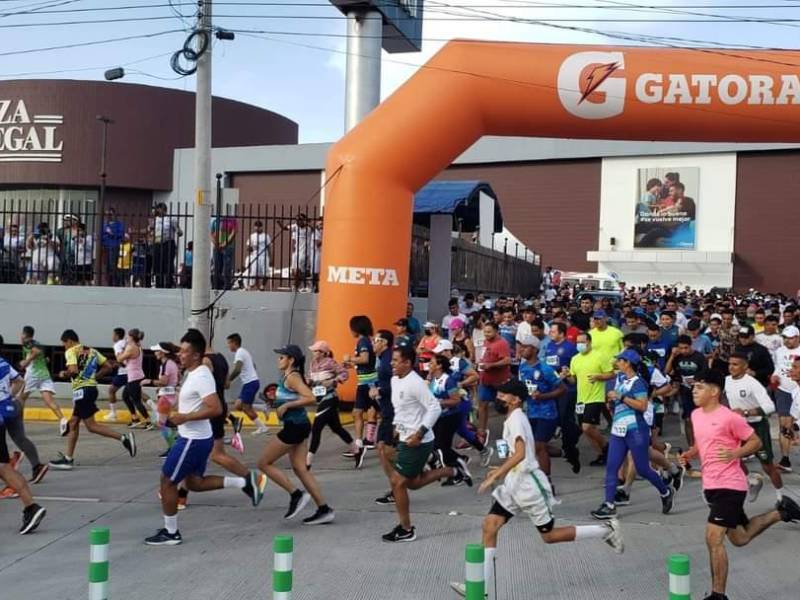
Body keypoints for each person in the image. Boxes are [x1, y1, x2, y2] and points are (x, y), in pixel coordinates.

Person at [448, 378, 623, 598]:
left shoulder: (517, 420)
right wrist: (500, 470)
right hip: (514, 484)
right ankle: (480, 586)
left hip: (530, 487)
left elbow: (521, 454)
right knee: (490, 525)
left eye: (503, 395)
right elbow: (516, 454)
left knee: (549, 536)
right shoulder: (513, 418)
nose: (498, 398)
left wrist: (496, 476)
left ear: (515, 399)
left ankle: (606, 529)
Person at [678, 369, 800, 600]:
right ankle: (782, 513)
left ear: (714, 391)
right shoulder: (696, 415)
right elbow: (703, 444)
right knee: (740, 538)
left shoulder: (729, 417)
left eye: (700, 387)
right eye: (694, 387)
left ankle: (718, 595)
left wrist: (735, 453)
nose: (694, 390)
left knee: (713, 537)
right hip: (711, 484)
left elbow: (755, 442)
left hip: (730, 485)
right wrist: (689, 454)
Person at [145, 329, 265, 546]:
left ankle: (171, 532)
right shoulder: (193, 373)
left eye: (184, 352)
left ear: (196, 355)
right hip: (197, 437)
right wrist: (173, 412)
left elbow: (216, 408)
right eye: (180, 351)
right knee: (194, 483)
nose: (180, 355)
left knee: (167, 482)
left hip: (192, 440)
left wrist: (185, 417)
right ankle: (246, 482)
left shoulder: (201, 375)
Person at [381, 346, 468, 542]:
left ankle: (406, 529)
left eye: (396, 360)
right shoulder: (395, 380)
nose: (391, 363)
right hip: (404, 437)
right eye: (392, 360)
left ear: (407, 363)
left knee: (398, 482)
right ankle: (452, 471)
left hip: (418, 441)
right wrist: (397, 426)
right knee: (412, 483)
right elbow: (402, 408)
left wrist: (420, 433)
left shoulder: (416, 383)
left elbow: (434, 408)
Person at [591, 349, 675, 520]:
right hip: (618, 430)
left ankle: (665, 491)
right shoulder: (620, 378)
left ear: (627, 363)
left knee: (643, 469)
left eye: (619, 360)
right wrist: (611, 400)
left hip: (636, 430)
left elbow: (642, 406)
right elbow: (616, 396)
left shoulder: (639, 383)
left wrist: (621, 397)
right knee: (612, 467)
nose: (617, 363)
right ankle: (609, 505)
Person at [257, 344, 334, 525]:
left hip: (294, 427)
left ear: (291, 360)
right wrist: (276, 405)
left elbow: (311, 397)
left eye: (282, 357)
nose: (278, 360)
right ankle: (324, 510)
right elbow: (293, 398)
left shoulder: (292, 377)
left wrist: (286, 406)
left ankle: (296, 494)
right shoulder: (287, 377)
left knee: (263, 463)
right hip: (299, 425)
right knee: (300, 468)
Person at [49, 329, 136, 470]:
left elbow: (73, 370)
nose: (64, 347)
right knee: (74, 424)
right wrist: (94, 377)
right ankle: (68, 458)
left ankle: (124, 438)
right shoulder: (92, 351)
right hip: (90, 389)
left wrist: (63, 373)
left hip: (82, 391)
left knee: (91, 426)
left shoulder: (71, 351)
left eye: (64, 344)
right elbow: (108, 367)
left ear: (69, 341)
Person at [725, 353, 784, 503]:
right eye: (730, 364)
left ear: (745, 366)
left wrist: (746, 412)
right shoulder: (726, 381)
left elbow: (770, 406)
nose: (731, 367)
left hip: (757, 428)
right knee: (732, 458)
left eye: (735, 364)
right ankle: (752, 481)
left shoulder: (752, 383)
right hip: (738, 427)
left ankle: (781, 497)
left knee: (767, 466)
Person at [0, 346, 47, 534]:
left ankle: (31, 507)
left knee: (3, 467)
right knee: (3, 467)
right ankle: (31, 507)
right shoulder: (3, 363)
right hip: (3, 414)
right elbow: (19, 381)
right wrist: (8, 398)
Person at [518, 335, 565, 481]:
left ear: (534, 349)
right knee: (532, 446)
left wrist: (542, 396)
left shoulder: (545, 368)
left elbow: (561, 389)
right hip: (529, 412)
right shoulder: (523, 367)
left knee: (540, 446)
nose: (521, 350)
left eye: (525, 347)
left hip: (546, 413)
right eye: (521, 346)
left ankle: (546, 481)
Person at [565, 332, 613, 466]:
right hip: (581, 399)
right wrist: (567, 375)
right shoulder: (575, 359)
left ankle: (606, 447)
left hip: (595, 397)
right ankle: (601, 455)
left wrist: (599, 377)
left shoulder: (600, 356)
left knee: (587, 427)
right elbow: (573, 380)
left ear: (589, 342)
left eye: (582, 342)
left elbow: (611, 374)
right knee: (585, 429)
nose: (580, 345)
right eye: (578, 342)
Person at [306, 340, 354, 470]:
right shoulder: (312, 364)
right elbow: (312, 381)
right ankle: (356, 449)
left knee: (316, 427)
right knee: (336, 428)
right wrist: (308, 381)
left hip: (330, 398)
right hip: (320, 398)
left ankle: (308, 461)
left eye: (317, 351)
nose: (314, 353)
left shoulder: (330, 362)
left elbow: (345, 373)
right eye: (314, 350)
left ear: (324, 353)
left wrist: (333, 381)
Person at [428, 354, 473, 487]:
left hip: (450, 417)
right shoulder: (433, 379)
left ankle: (458, 465)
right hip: (439, 416)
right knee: (438, 446)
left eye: (431, 362)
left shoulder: (448, 380)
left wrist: (439, 402)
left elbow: (456, 400)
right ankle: (458, 466)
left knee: (441, 446)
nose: (429, 365)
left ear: (439, 365)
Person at [543, 321, 581, 473]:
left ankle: (569, 446)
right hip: (554, 386)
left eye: (553, 331)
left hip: (568, 389)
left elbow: (575, 367)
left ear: (561, 333)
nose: (550, 334)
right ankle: (571, 436)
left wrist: (566, 374)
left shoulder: (570, 348)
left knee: (566, 418)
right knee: (558, 417)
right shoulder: (550, 346)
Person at [17, 325, 68, 435]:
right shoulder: (37, 343)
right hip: (44, 375)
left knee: (21, 399)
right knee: (49, 400)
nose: (20, 336)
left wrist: (26, 362)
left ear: (25, 334)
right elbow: (46, 359)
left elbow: (36, 352)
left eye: (21, 334)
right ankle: (63, 420)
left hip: (33, 375)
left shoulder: (28, 343)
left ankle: (18, 423)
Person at [342, 315, 378, 468]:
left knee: (363, 412)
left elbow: (364, 358)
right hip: (365, 381)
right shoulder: (368, 340)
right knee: (359, 412)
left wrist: (349, 358)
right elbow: (366, 362)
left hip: (368, 383)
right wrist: (352, 365)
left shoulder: (362, 341)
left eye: (352, 328)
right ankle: (359, 444)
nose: (351, 331)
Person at [665, 335, 706, 466]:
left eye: (686, 348)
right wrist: (672, 356)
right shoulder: (677, 357)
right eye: (681, 348)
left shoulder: (699, 357)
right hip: (684, 391)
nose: (683, 350)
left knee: (700, 420)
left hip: (699, 391)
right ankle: (691, 446)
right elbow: (666, 371)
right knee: (688, 419)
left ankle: (702, 444)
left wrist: (696, 380)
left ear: (691, 346)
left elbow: (706, 373)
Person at [141, 342, 181, 456]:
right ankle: (176, 439)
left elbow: (163, 381)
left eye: (157, 351)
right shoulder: (171, 363)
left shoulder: (166, 364)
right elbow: (175, 380)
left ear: (163, 353)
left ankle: (174, 445)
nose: (155, 353)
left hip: (166, 398)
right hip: (169, 395)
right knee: (164, 422)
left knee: (160, 423)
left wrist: (149, 381)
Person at [770, 325, 800, 473]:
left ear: (798, 337)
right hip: (783, 390)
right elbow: (778, 366)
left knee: (795, 425)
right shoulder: (779, 351)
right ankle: (785, 459)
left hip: (798, 390)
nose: (788, 341)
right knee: (784, 425)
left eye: (791, 338)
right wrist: (775, 375)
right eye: (785, 338)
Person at [476, 321, 512, 444]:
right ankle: (482, 432)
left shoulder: (502, 343)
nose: (486, 334)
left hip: (499, 381)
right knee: (482, 405)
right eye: (485, 332)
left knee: (504, 407)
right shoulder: (486, 342)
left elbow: (507, 360)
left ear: (496, 331)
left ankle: (509, 432)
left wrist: (491, 365)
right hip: (485, 380)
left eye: (489, 332)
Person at [226, 333, 267, 435]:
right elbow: (253, 365)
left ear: (234, 343)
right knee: (238, 405)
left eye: (229, 343)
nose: (228, 346)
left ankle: (262, 427)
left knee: (246, 408)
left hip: (250, 383)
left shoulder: (239, 353)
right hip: (250, 383)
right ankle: (262, 408)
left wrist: (229, 380)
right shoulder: (244, 352)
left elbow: (237, 369)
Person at [117, 328, 151, 429]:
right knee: (125, 396)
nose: (126, 338)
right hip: (135, 376)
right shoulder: (137, 346)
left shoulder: (131, 347)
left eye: (128, 336)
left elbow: (120, 359)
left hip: (134, 377)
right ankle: (135, 418)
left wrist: (118, 351)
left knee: (136, 400)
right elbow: (126, 361)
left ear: (131, 337)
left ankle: (148, 420)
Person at [150, 202, 182, 289]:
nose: (158, 211)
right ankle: (158, 283)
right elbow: (150, 230)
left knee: (168, 264)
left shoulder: (171, 219)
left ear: (164, 210)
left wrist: (178, 231)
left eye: (159, 209)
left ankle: (168, 283)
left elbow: (179, 230)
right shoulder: (155, 220)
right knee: (157, 264)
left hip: (168, 243)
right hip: (157, 243)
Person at [105, 327, 126, 422]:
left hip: (124, 372)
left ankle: (113, 414)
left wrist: (115, 364)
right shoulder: (126, 342)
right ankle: (155, 408)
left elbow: (122, 360)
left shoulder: (117, 345)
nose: (112, 337)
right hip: (131, 371)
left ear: (117, 336)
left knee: (111, 390)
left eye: (113, 334)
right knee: (138, 393)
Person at [210, 213, 236, 290]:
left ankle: (227, 286)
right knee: (217, 267)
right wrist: (216, 244)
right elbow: (211, 233)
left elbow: (233, 233)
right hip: (217, 248)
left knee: (226, 268)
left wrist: (224, 243)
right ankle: (217, 285)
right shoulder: (215, 221)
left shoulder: (232, 220)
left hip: (228, 247)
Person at [101, 207, 124, 286]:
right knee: (107, 266)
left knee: (113, 265)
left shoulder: (119, 224)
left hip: (114, 246)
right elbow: (102, 236)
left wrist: (111, 233)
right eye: (107, 214)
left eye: (110, 214)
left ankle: (116, 283)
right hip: (106, 247)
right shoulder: (104, 225)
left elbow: (121, 235)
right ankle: (109, 283)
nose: (109, 216)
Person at [246, 220, 270, 290]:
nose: (257, 228)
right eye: (255, 227)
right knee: (254, 272)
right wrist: (253, 247)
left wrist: (271, 258)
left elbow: (269, 248)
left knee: (266, 272)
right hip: (255, 256)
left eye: (258, 227)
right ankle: (257, 286)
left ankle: (263, 285)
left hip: (264, 256)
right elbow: (248, 248)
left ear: (261, 227)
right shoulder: (252, 236)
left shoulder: (266, 236)